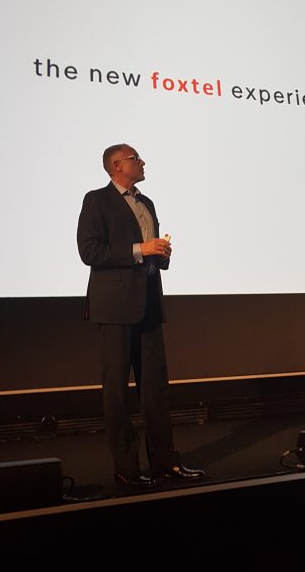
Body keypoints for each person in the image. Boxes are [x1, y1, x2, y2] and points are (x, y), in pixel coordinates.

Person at [77, 144, 205, 487]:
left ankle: (164, 463)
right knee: (117, 392)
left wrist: (160, 254)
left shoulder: (146, 202)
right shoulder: (97, 200)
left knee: (156, 390)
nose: (143, 161)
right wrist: (140, 249)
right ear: (117, 166)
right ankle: (127, 469)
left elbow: (150, 252)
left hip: (148, 304)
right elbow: (90, 251)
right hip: (115, 307)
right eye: (136, 158)